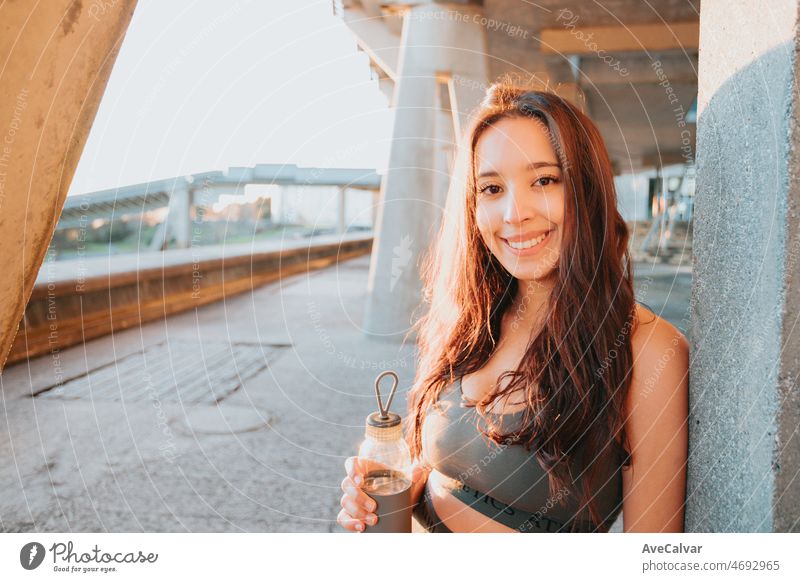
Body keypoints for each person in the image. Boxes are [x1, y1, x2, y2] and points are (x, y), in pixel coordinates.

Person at [337, 79, 689, 533]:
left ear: (587, 189)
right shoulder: (469, 321)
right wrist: (384, 496)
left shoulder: (647, 349)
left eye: (543, 180)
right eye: (491, 189)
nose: (514, 213)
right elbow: (437, 475)